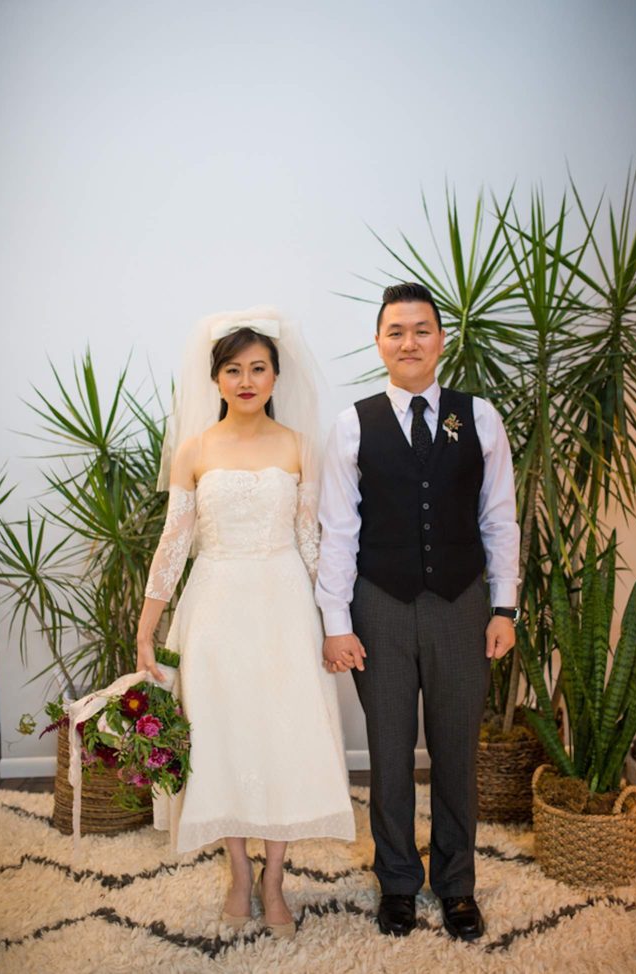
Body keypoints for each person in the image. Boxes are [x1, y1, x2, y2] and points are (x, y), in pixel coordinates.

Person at [136, 307, 355, 941]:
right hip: (215, 607)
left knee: (285, 734)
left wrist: (335, 621)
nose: (246, 379)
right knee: (222, 736)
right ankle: (237, 870)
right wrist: (148, 628)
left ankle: (274, 877)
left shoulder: (297, 445)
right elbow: (175, 542)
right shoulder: (196, 449)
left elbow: (313, 542)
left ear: (276, 374)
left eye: (258, 367)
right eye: (233, 369)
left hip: (284, 605)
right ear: (216, 378)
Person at [316, 282, 520, 941]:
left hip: (462, 603)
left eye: (422, 329)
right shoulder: (352, 424)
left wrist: (504, 606)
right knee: (390, 749)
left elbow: (500, 520)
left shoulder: (481, 417)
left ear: (441, 339)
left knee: (458, 747)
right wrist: (337, 624)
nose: (410, 341)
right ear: (379, 342)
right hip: (378, 603)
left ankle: (457, 885)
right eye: (396, 331)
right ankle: (398, 882)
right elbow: (338, 530)